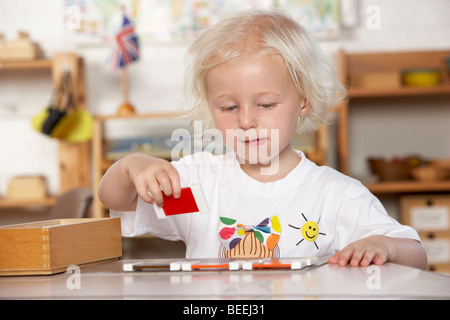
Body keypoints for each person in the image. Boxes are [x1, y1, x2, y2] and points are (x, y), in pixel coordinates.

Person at [98, 9, 427, 269]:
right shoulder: (199, 185)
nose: (245, 121)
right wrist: (132, 166)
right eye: (228, 107)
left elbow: (416, 256)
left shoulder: (334, 195)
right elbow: (117, 199)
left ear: (304, 100)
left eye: (266, 104)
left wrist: (384, 246)